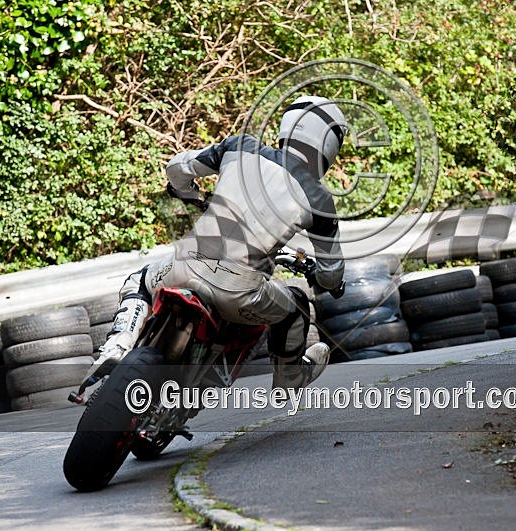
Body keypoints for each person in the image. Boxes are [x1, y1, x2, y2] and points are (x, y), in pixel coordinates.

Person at [87, 95, 347, 391]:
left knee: (139, 280)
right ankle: (289, 378)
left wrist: (186, 192)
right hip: (241, 292)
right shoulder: (320, 200)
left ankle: (117, 345)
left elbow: (176, 167)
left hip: (184, 265)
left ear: (288, 126)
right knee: (296, 309)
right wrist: (322, 279)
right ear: (329, 143)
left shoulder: (240, 146)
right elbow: (331, 275)